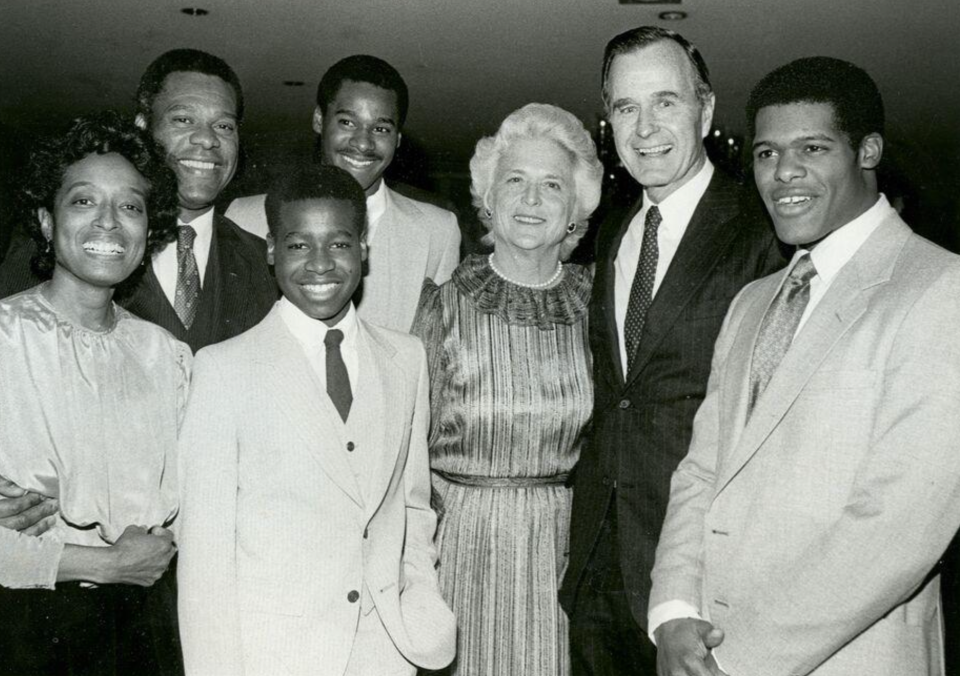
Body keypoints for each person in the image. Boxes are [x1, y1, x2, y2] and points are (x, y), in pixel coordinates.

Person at [650, 56, 960, 676]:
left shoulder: (941, 287)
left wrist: (739, 661)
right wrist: (675, 611)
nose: (783, 171)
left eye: (812, 147)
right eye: (766, 153)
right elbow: (704, 467)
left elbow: (898, 526)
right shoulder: (752, 300)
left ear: (867, 150)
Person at [560, 26, 785, 675]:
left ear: (706, 110)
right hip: (600, 574)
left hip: (708, 585)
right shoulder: (612, 234)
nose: (645, 126)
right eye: (626, 107)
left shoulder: (764, 232)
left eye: (666, 101)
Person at [177, 164, 455, 676]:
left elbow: (413, 505)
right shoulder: (223, 370)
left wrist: (420, 603)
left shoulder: (406, 358)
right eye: (299, 245)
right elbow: (205, 560)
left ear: (364, 250)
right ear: (270, 251)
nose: (321, 265)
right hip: (272, 657)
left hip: (385, 654)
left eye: (340, 244)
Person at [411, 103, 602, 675]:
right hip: (460, 545)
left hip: (562, 551)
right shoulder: (443, 306)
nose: (532, 199)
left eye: (552, 185)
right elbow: (402, 458)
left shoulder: (602, 307)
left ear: (576, 210)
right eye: (514, 181)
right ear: (488, 199)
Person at [0, 111, 188, 676]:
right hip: (24, 625)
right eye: (83, 201)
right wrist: (103, 564)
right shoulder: (5, 338)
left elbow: (192, 504)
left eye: (130, 206)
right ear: (45, 219)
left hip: (146, 626)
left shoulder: (168, 355)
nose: (109, 222)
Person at [0, 48, 277, 353]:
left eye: (224, 126)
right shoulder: (57, 243)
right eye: (184, 119)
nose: (207, 139)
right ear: (142, 126)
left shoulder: (262, 261)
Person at [226, 54, 460, 332]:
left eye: (381, 128)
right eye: (347, 122)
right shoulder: (244, 218)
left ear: (397, 140)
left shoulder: (438, 230)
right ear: (318, 120)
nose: (363, 142)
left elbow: (437, 345)